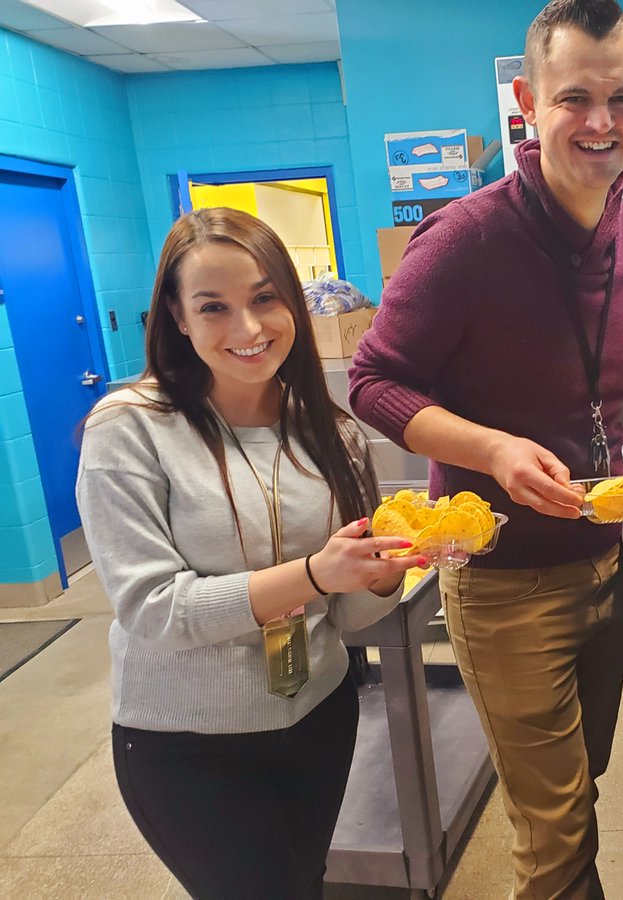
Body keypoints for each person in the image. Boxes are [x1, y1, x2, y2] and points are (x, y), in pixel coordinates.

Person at [349, 2, 623, 896]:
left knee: (578, 786)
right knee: (555, 839)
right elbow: (374, 382)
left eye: (621, 99)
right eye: (574, 97)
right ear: (527, 101)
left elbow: (611, 372)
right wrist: (497, 450)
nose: (599, 122)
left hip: (604, 560)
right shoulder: (464, 240)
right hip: (504, 582)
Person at [76, 207, 424, 900]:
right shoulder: (128, 431)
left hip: (318, 715)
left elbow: (348, 619)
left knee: (306, 884)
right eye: (214, 307)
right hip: (187, 742)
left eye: (265, 298)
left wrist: (381, 578)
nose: (249, 329)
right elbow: (152, 609)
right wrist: (310, 574)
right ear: (176, 316)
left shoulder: (331, 433)